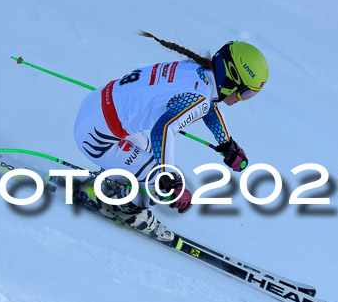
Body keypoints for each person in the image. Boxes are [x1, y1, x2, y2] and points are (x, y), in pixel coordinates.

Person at [73, 31, 268, 241]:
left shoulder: (197, 71)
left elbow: (208, 107)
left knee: (150, 157)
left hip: (98, 108)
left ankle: (111, 184)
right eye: (245, 93)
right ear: (231, 79)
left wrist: (227, 144)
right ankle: (121, 209)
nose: (242, 99)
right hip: (97, 136)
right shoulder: (199, 96)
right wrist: (169, 179)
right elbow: (163, 130)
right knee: (158, 182)